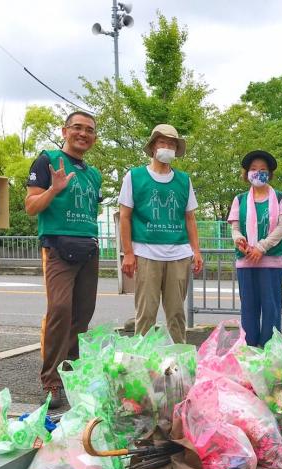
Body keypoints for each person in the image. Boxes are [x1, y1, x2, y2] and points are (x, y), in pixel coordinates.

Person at [25, 111, 103, 408]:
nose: (84, 134)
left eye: (90, 130)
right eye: (78, 128)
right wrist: (54, 189)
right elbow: (31, 207)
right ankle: (51, 381)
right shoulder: (47, 160)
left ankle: (70, 372)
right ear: (65, 131)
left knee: (82, 315)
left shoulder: (93, 174)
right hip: (57, 246)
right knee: (59, 309)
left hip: (88, 247)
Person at [118, 124, 204, 343]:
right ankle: (142, 362)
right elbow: (125, 216)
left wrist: (196, 251)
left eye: (172, 144)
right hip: (146, 253)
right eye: (162, 143)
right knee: (146, 314)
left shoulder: (184, 180)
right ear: (153, 147)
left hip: (178, 253)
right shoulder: (135, 176)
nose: (167, 147)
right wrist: (128, 253)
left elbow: (190, 218)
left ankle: (179, 363)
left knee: (176, 313)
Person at [227, 150, 282, 346]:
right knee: (249, 309)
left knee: (271, 309)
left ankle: (270, 351)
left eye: (263, 169)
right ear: (246, 173)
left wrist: (261, 247)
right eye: (253, 169)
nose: (258, 173)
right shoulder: (239, 199)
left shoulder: (281, 197)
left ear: (270, 173)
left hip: (272, 262)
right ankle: (249, 350)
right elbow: (235, 228)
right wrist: (240, 240)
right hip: (246, 262)